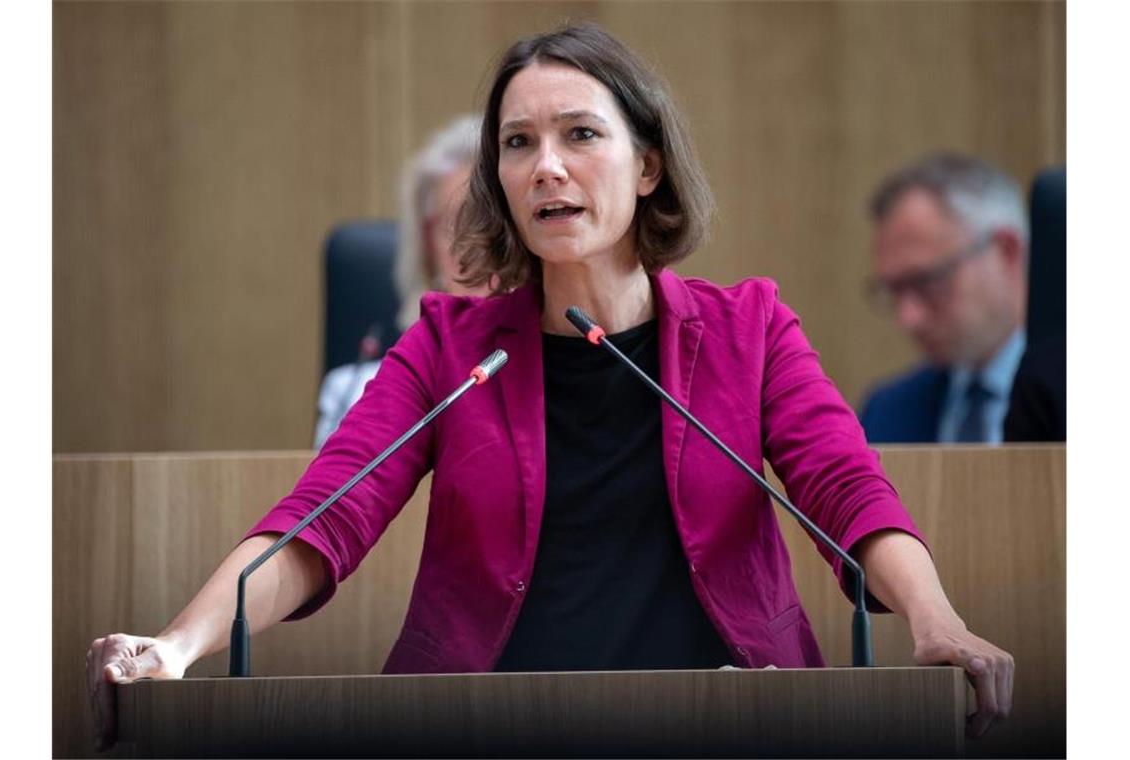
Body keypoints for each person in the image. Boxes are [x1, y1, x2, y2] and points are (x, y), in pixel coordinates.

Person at [87, 23, 1013, 751]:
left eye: (581, 135)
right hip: (485, 728)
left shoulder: (749, 328)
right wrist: (174, 648)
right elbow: (321, 519)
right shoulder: (452, 347)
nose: (548, 167)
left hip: (730, 719)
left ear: (647, 165)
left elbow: (844, 490)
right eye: (518, 143)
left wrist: (937, 624)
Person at [314, 114, 490, 447]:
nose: (483, 242)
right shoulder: (354, 396)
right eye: (460, 223)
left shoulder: (569, 372)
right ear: (428, 245)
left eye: (496, 220)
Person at [858, 152, 1029, 444]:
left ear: (1006, 251)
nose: (908, 317)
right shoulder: (887, 413)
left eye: (927, 281)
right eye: (894, 291)